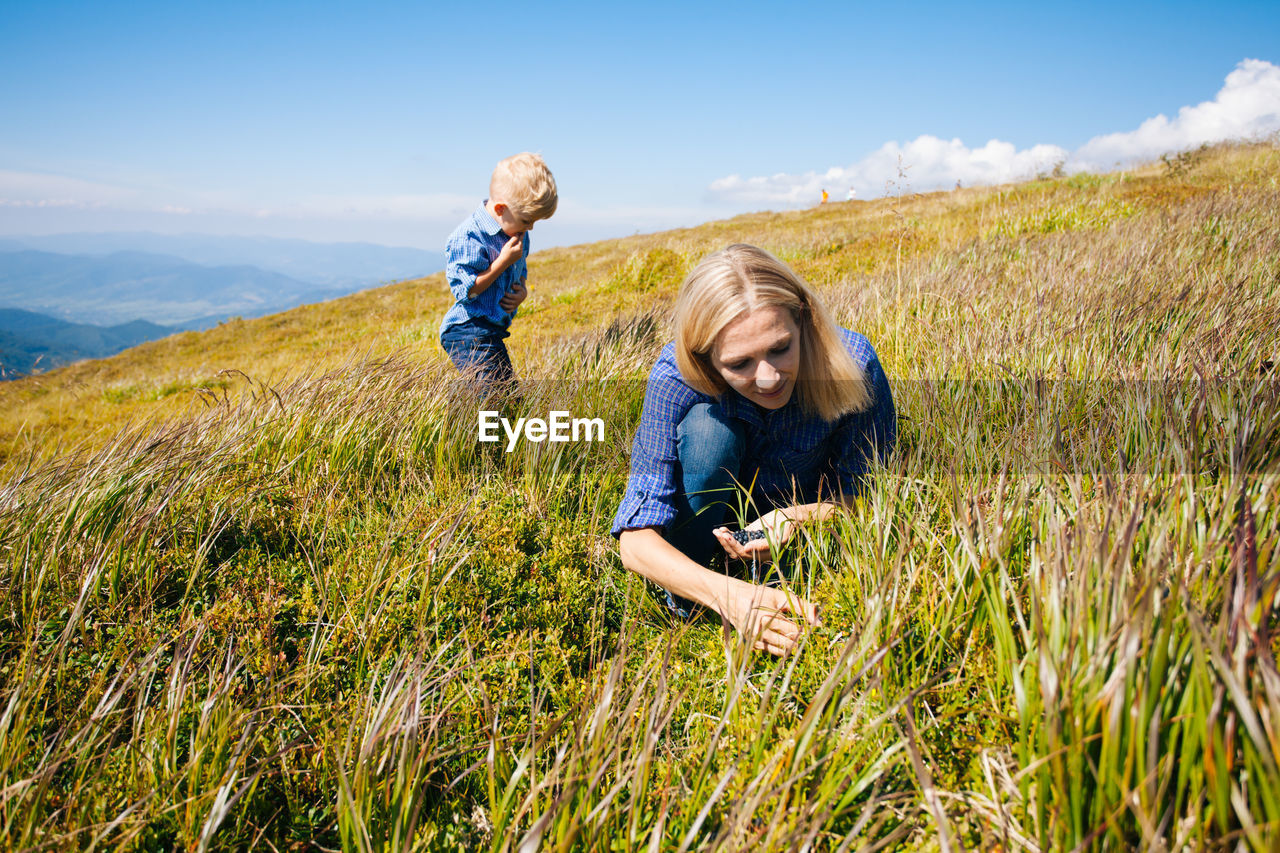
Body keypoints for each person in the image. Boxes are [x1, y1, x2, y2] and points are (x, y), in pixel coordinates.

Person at [612, 244, 895, 656]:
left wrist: (799, 518)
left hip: (801, 522)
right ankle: (688, 599)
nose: (767, 379)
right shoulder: (674, 377)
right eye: (739, 364)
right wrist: (732, 596)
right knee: (710, 433)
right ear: (704, 356)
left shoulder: (853, 363)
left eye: (780, 348)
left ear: (802, 317)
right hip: (706, 522)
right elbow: (635, 540)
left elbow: (866, 492)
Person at [439, 153, 558, 384]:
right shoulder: (469, 236)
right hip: (467, 328)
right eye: (526, 220)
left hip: (492, 330)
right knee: (492, 394)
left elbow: (519, 274)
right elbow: (467, 292)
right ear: (502, 208)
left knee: (508, 397)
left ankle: (465, 415)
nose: (530, 227)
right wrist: (502, 261)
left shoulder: (517, 233)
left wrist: (521, 293)